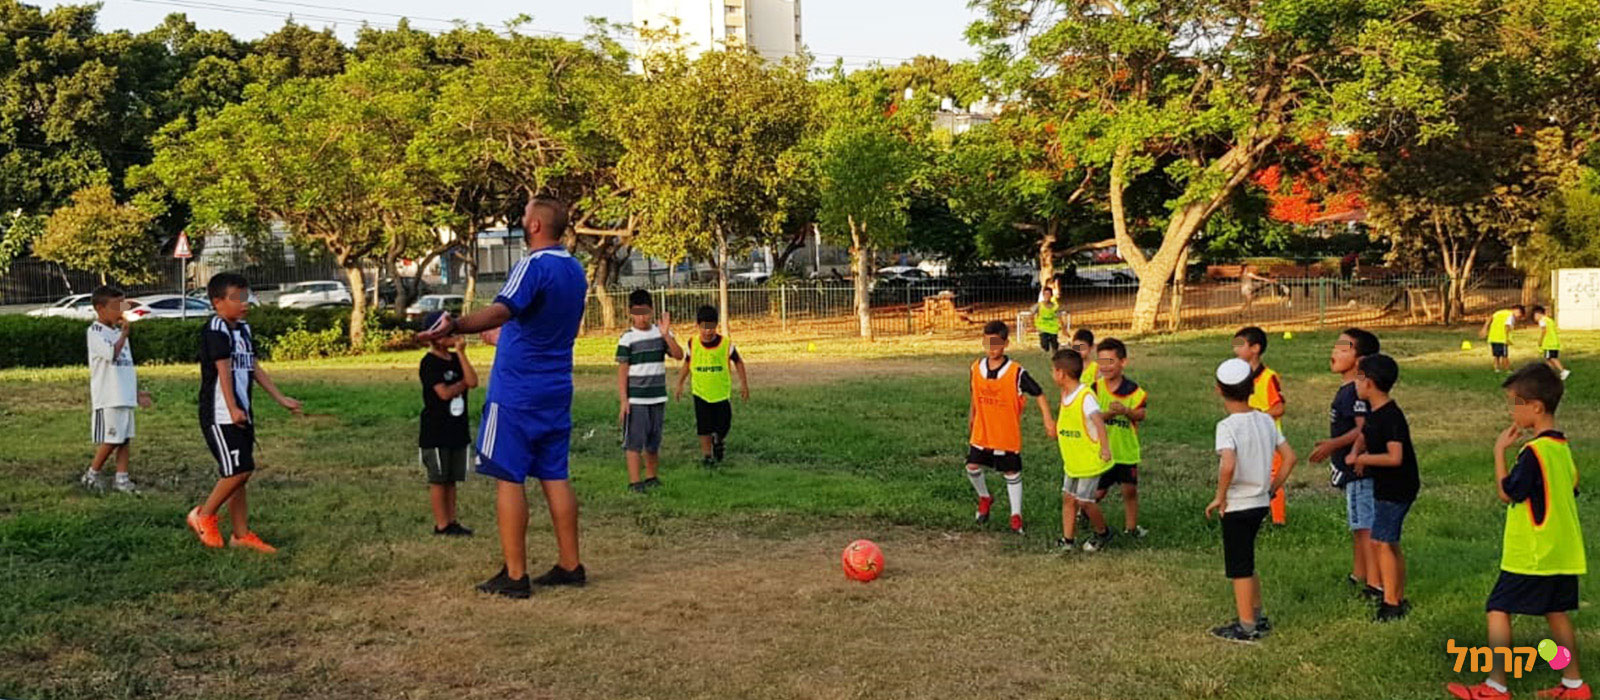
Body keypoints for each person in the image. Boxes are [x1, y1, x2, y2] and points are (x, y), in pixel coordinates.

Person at [417, 197, 589, 599]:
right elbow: (541, 323)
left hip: (517, 390)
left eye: (525, 213)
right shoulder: (574, 268)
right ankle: (570, 564)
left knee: (508, 476)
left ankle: (515, 575)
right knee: (554, 474)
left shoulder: (532, 264)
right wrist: (508, 336)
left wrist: (455, 323)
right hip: (555, 386)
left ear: (534, 226)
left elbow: (500, 310)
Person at [1447, 363, 1588, 700]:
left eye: (1515, 404)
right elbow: (1570, 488)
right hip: (1562, 553)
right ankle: (1574, 684)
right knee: (1556, 613)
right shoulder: (1562, 449)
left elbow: (1507, 491)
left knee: (1498, 608)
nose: (1511, 411)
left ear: (1536, 407)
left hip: (1532, 556)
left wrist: (1498, 452)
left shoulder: (1533, 453)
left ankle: (1495, 686)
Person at [186, 272, 302, 554]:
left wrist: (279, 397)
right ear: (217, 302)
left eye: (246, 296)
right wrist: (233, 408)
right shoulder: (216, 329)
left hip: (241, 413)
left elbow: (252, 368)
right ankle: (203, 515)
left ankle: (241, 534)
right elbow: (222, 372)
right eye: (236, 298)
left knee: (240, 474)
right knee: (239, 470)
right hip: (220, 415)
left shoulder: (244, 329)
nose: (244, 303)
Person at [1207, 358, 1297, 643]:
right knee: (1247, 558)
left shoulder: (1227, 426)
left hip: (1237, 504)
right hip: (1260, 502)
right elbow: (1290, 458)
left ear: (1219, 390)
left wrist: (1220, 497)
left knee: (1239, 567)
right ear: (1251, 388)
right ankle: (1256, 614)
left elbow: (1228, 464)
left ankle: (1247, 627)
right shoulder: (1265, 419)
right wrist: (1272, 489)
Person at [1309, 329, 1384, 600]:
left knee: (1365, 528)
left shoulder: (1355, 391)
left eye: (1343, 349)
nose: (1334, 353)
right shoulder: (1347, 390)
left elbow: (1363, 429)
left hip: (1359, 472)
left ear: (1360, 359)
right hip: (1352, 471)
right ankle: (1359, 575)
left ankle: (1375, 586)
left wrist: (1333, 445)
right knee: (1358, 527)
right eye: (1335, 347)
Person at [966, 320, 1055, 535]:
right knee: (972, 467)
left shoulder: (1016, 372)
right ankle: (985, 497)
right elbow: (974, 396)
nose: (992, 347)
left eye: (997, 343)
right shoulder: (976, 368)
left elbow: (1039, 393)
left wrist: (1048, 420)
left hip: (1006, 433)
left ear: (1006, 343)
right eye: (988, 342)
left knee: (1011, 472)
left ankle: (1016, 516)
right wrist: (972, 417)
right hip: (982, 430)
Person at [1350, 353, 1418, 622]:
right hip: (1385, 487)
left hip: (1397, 488)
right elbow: (1365, 434)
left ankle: (1391, 603)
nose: (1356, 383)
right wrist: (1357, 449)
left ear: (1370, 383)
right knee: (1387, 542)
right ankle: (1396, 596)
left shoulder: (1391, 416)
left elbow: (1395, 457)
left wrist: (1362, 459)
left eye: (1359, 377)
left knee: (1382, 542)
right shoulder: (1375, 413)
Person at [81, 285, 153, 494]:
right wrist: (123, 335)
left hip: (125, 395)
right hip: (109, 396)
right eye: (116, 306)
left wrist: (136, 392)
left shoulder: (117, 333)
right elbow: (111, 354)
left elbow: (126, 365)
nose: (121, 310)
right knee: (112, 438)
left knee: (124, 438)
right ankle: (92, 474)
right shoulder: (95, 332)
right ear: (100, 308)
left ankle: (122, 477)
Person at [617, 288, 684, 492]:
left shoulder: (661, 333)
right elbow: (622, 370)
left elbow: (679, 355)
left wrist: (666, 336)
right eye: (637, 313)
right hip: (636, 399)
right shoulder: (627, 338)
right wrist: (624, 399)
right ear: (630, 313)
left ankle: (651, 476)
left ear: (652, 311)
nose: (642, 318)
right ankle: (635, 481)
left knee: (653, 440)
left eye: (645, 313)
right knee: (634, 442)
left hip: (657, 397)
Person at [418, 312, 478, 536]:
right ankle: (441, 524)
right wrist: (461, 384)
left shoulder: (455, 359)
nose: (453, 338)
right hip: (436, 430)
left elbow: (473, 381)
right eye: (447, 335)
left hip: (457, 428)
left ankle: (452, 520)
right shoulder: (429, 362)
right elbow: (443, 393)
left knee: (452, 478)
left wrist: (461, 354)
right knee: (438, 478)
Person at [1052, 349, 1115, 552]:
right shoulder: (1065, 394)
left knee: (1085, 501)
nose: (1052, 375)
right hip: (1073, 461)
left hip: (1089, 460)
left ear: (1061, 373)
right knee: (1068, 498)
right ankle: (1068, 540)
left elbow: (1098, 421)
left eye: (1053, 370)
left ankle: (1103, 532)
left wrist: (1105, 448)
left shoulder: (1085, 395)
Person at [674, 305, 750, 466]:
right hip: (700, 392)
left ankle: (718, 440)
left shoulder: (725, 343)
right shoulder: (692, 343)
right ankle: (707, 456)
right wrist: (680, 383)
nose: (708, 331)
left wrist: (744, 384)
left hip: (721, 393)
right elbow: (687, 363)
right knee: (704, 426)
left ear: (716, 326)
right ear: (698, 326)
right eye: (704, 327)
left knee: (724, 424)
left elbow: (738, 362)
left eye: (711, 327)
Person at [1092, 338, 1148, 538]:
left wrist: (1126, 411)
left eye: (1110, 361)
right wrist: (1110, 414)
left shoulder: (1134, 390)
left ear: (1123, 362)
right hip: (1103, 451)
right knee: (1097, 493)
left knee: (1129, 491)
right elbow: (1092, 418)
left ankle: (1131, 529)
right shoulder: (1094, 389)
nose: (1105, 367)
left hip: (1126, 451)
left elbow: (1141, 414)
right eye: (1101, 362)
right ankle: (1086, 512)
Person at [1233, 326, 1289, 525]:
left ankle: (1278, 520)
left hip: (1269, 439)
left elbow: (1279, 407)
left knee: (1273, 478)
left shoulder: (1268, 377)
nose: (1235, 350)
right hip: (1246, 438)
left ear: (1255, 348)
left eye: (1240, 346)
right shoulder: (1238, 377)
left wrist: (1258, 417)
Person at [1532, 305, 1570, 380]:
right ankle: (1550, 373)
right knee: (1548, 359)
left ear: (1538, 314)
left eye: (1534, 315)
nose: (1534, 318)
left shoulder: (1542, 321)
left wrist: (1540, 340)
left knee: (1552, 358)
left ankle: (1563, 370)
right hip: (1554, 342)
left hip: (1549, 343)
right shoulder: (1549, 320)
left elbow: (1544, 330)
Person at [1482, 305, 1524, 373]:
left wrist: (1485, 328)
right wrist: (1507, 338)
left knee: (1496, 355)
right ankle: (1507, 369)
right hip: (1502, 338)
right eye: (1519, 315)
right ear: (1517, 311)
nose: (1518, 317)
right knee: (1504, 355)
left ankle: (1496, 368)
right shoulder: (1510, 316)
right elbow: (1507, 326)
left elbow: (1490, 317)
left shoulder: (1500, 312)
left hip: (1493, 337)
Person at [1031, 286, 1062, 353]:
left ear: (1051, 295)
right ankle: (1045, 351)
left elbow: (1059, 317)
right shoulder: (1039, 305)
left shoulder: (1055, 306)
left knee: (1054, 344)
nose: (1047, 296)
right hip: (1042, 327)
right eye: (1045, 294)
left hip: (1053, 327)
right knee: (1044, 343)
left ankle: (1056, 353)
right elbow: (1032, 314)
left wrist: (1064, 329)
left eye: (1048, 294)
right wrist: (1032, 325)